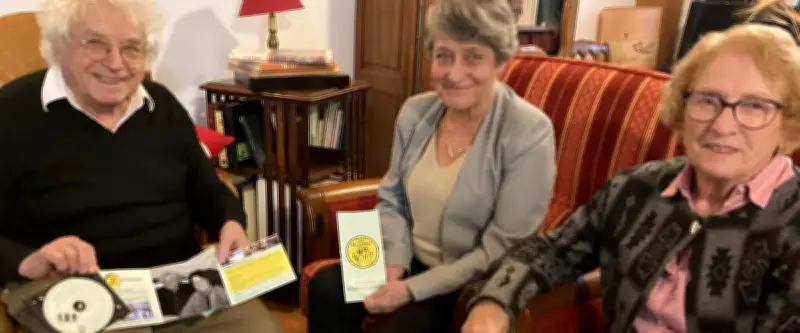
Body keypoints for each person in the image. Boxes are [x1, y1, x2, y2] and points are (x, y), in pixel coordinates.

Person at [462, 6, 800, 333]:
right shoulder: (639, 188)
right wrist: (494, 303)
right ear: (682, 109)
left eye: (755, 106)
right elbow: (554, 251)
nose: (722, 124)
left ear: (788, 123)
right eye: (707, 100)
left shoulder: (791, 222)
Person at [0, 0, 281, 332]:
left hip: (175, 279)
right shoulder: (12, 113)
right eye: (96, 43)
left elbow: (207, 188)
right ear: (58, 46)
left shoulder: (161, 105)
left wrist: (230, 222)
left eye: (131, 48)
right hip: (66, 284)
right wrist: (28, 260)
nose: (116, 63)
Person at [306, 0, 557, 332]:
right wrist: (395, 261)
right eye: (444, 56)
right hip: (408, 260)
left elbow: (503, 247)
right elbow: (392, 197)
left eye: (473, 56)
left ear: (499, 60)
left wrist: (411, 290)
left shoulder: (528, 131)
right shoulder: (415, 112)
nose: (453, 74)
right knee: (325, 287)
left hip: (468, 282)